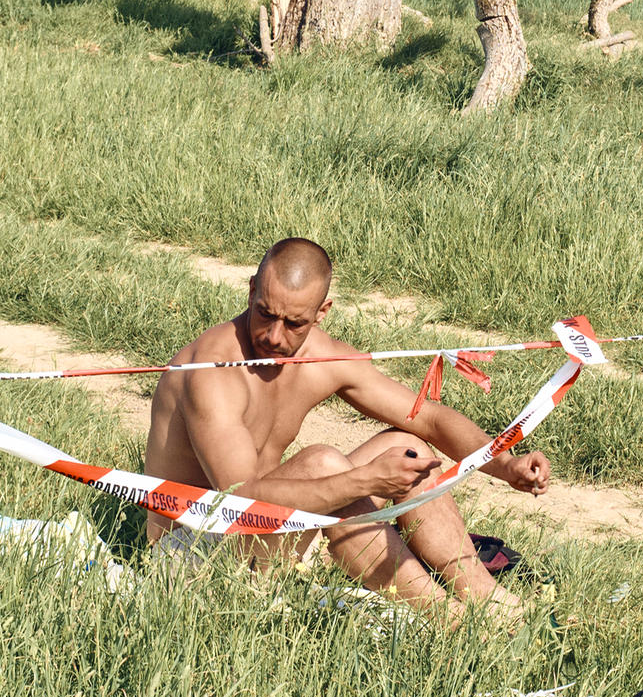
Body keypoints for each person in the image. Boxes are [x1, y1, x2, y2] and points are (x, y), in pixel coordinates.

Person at [142, 236, 551, 616]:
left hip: (272, 536)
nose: (273, 335)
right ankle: (447, 620)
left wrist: (504, 465)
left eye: (294, 323)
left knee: (410, 447)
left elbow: (429, 418)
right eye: (264, 313)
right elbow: (241, 496)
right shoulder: (214, 369)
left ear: (322, 313)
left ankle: (493, 603)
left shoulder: (322, 358)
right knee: (324, 464)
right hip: (193, 558)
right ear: (251, 291)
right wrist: (364, 481)